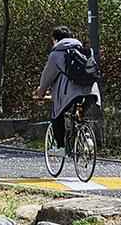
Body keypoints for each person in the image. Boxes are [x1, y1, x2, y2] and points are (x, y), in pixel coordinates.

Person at [37, 26, 101, 156]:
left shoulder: (56, 54)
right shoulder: (84, 50)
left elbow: (47, 77)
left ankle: (60, 147)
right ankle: (86, 137)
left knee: (56, 115)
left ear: (55, 40)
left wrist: (40, 93)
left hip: (70, 93)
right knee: (79, 115)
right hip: (92, 91)